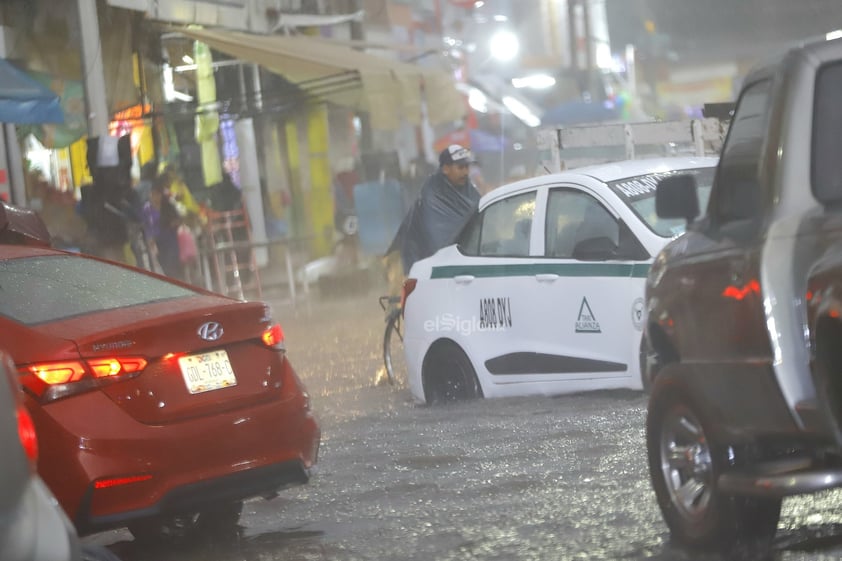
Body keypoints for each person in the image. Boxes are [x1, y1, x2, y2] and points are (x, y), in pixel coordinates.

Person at [388, 144, 481, 275]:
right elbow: (436, 240)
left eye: (467, 167)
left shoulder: (469, 191)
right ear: (446, 169)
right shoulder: (432, 196)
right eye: (460, 168)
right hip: (429, 268)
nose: (465, 172)